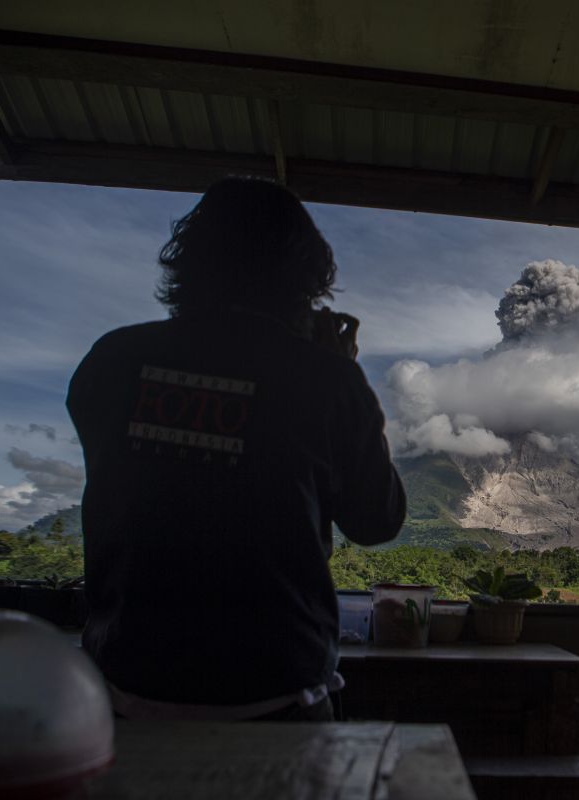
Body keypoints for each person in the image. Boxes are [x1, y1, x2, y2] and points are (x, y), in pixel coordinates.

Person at [67, 177, 406, 721]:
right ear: (304, 280)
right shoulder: (324, 379)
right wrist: (337, 370)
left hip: (122, 692)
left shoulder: (112, 360)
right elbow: (377, 521)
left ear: (190, 266)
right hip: (276, 695)